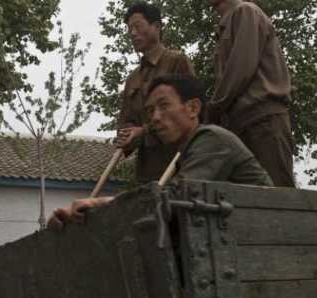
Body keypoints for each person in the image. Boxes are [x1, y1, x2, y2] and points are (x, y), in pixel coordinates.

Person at [48, 74, 271, 230]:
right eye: (151, 110)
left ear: (193, 108)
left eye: (164, 106)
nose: (154, 118)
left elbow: (173, 200)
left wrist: (97, 204)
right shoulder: (187, 152)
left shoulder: (212, 138)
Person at [205, 0, 295, 187]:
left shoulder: (245, 12)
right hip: (239, 124)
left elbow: (239, 70)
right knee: (248, 201)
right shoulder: (224, 26)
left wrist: (212, 110)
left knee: (278, 199)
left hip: (261, 120)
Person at [117, 2, 195, 184]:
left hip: (179, 163)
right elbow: (126, 122)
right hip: (147, 169)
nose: (132, 33)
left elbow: (192, 114)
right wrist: (125, 137)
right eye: (129, 29)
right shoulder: (133, 78)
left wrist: (143, 131)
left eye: (138, 26)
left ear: (156, 27)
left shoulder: (177, 62)